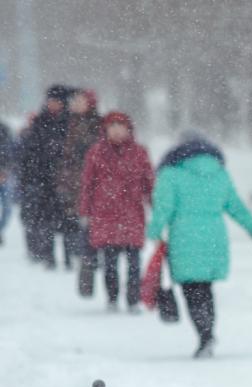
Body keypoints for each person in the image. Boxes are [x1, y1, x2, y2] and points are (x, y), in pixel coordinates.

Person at [146, 132, 252, 358]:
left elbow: (163, 208)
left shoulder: (171, 174)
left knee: (191, 290)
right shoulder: (219, 173)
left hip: (184, 237)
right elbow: (236, 207)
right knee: (206, 289)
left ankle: (204, 335)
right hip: (213, 238)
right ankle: (208, 332)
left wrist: (154, 231)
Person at [79, 112, 154, 313]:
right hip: (105, 215)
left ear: (129, 129)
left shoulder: (140, 153)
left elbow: (149, 183)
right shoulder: (95, 153)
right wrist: (85, 212)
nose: (117, 130)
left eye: (121, 125)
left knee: (134, 263)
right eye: (112, 126)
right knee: (110, 263)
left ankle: (133, 300)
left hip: (132, 214)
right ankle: (112, 298)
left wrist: (157, 205)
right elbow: (88, 184)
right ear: (105, 129)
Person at [18, 85, 73, 267]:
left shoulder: (69, 123)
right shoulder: (39, 122)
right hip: (41, 178)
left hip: (64, 180)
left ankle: (67, 257)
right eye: (51, 100)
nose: (53, 104)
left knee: (66, 221)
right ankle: (48, 256)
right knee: (44, 220)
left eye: (56, 101)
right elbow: (29, 151)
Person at [58, 88, 103, 293]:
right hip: (75, 182)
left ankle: (89, 262)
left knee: (88, 225)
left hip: (91, 182)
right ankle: (82, 261)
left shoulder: (96, 124)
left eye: (79, 100)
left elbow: (90, 152)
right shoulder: (70, 123)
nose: (74, 104)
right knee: (76, 223)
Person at [0, 120, 14, 246]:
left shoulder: (4, 129)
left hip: (4, 175)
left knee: (7, 207)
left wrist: (4, 171)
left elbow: (10, 152)